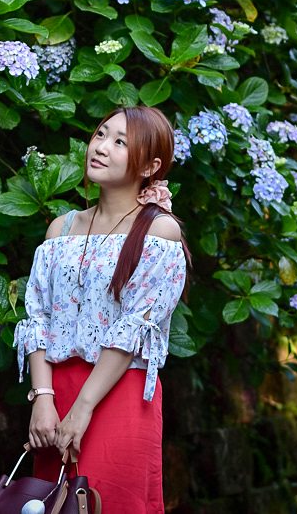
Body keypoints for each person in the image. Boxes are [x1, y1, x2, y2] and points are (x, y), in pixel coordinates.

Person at [13, 106, 193, 513]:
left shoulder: (159, 230)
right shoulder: (60, 229)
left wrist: (83, 409)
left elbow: (135, 328)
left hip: (118, 392)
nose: (101, 147)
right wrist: (43, 398)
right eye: (100, 134)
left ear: (151, 165)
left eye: (120, 142)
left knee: (111, 502)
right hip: (57, 393)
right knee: (53, 505)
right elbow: (38, 317)